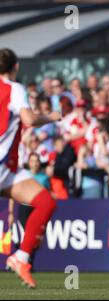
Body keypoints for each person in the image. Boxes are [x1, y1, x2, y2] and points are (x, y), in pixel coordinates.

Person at [1, 48, 60, 288]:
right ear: (15, 67)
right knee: (46, 203)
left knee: (46, 202)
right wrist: (51, 116)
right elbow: (29, 120)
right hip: (3, 166)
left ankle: (21, 258)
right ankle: (21, 256)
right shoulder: (14, 88)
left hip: (8, 170)